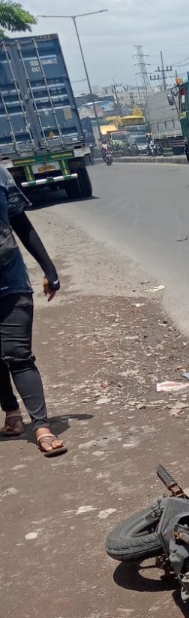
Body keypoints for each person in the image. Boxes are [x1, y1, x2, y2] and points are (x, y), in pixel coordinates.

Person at [0, 166, 66, 456]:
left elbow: (19, 221)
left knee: (18, 355)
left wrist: (49, 268)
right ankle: (12, 413)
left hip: (9, 280)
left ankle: (41, 426)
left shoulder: (1, 176)